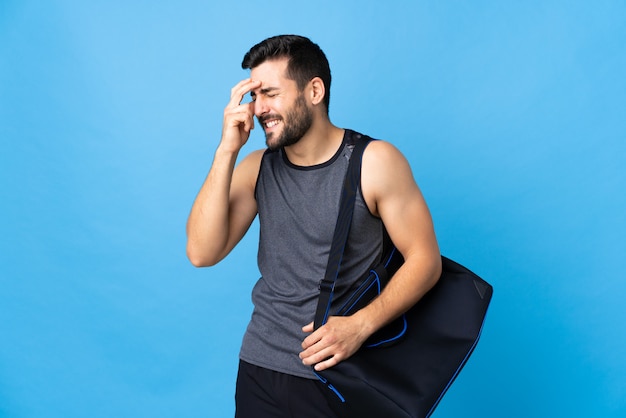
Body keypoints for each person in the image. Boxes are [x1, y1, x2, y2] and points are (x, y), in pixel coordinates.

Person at [186, 35, 442, 418]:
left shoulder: (374, 162)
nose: (258, 109)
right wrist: (227, 150)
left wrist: (360, 325)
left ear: (315, 91)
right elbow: (201, 253)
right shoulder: (257, 167)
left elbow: (425, 260)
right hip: (259, 368)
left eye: (270, 93)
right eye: (254, 96)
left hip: (338, 377)